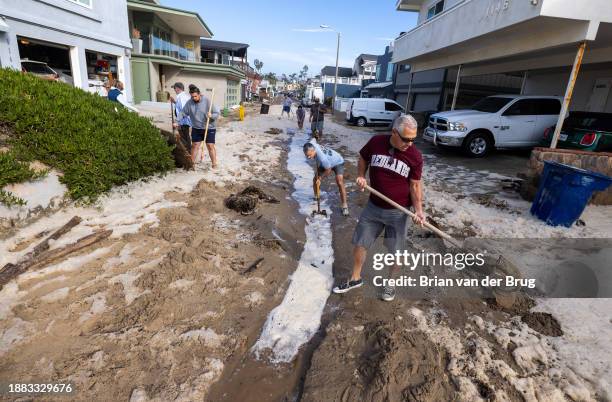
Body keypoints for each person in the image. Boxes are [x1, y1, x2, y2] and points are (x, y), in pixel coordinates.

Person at [332, 115, 425, 302]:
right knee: (360, 242)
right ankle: (355, 278)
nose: (410, 144)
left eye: (413, 139)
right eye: (406, 139)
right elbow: (362, 158)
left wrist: (419, 210)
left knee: (395, 252)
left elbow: (415, 186)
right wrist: (361, 176)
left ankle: (390, 283)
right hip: (373, 207)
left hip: (398, 213)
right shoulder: (376, 142)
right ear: (394, 132)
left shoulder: (415, 156)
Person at [175, 86, 220, 167]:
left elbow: (217, 113)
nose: (194, 98)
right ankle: (191, 164)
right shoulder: (189, 103)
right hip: (196, 128)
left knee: (210, 145)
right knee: (195, 146)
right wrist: (177, 121)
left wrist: (211, 115)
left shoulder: (207, 101)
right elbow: (183, 113)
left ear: (199, 94)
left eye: (195, 96)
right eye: (192, 97)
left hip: (209, 127)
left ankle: (214, 164)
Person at [303, 142, 349, 217]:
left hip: (337, 162)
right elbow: (313, 139)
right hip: (325, 163)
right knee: (315, 179)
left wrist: (320, 178)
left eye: (309, 155)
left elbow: (328, 170)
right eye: (306, 155)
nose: (308, 158)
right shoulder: (312, 144)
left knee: (339, 182)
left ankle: (344, 206)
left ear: (314, 151)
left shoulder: (322, 158)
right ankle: (316, 197)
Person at [170, 82, 192, 152]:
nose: (174, 90)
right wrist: (174, 102)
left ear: (178, 88)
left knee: (184, 138)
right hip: (184, 121)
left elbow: (184, 111)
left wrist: (177, 122)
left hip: (183, 121)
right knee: (185, 137)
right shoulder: (183, 96)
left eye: (174, 88)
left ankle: (188, 152)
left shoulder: (181, 97)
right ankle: (188, 152)